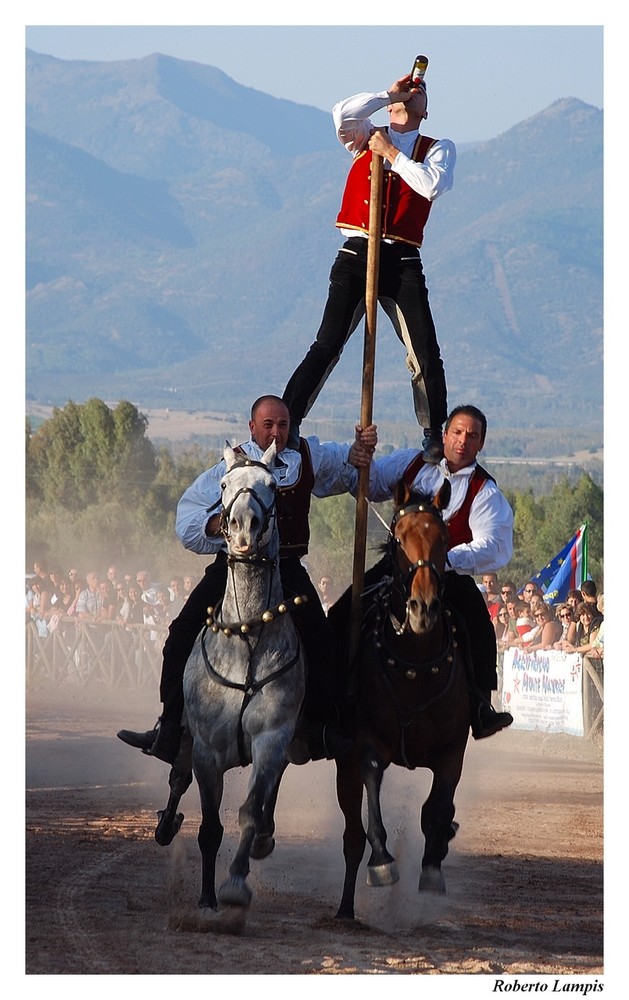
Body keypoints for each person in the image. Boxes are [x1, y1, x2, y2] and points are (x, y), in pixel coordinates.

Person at [118, 395, 377, 765]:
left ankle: (319, 727)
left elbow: (345, 466)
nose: (276, 432)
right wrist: (219, 524)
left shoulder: (307, 455)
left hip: (286, 568)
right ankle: (170, 727)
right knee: (180, 635)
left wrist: (360, 449)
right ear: (252, 427)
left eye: (283, 425)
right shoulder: (227, 467)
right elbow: (187, 519)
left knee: (321, 639)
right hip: (231, 567)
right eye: (268, 425)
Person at [281, 68, 455, 463]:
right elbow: (341, 114)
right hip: (357, 253)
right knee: (327, 343)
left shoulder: (437, 148)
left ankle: (433, 432)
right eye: (407, 90)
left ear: (426, 110)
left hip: (402, 258)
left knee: (424, 348)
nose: (413, 94)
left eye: (420, 91)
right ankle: (289, 422)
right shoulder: (364, 134)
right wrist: (385, 93)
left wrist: (392, 155)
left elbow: (431, 185)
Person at [349, 403, 514, 739]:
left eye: (472, 435)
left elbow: (495, 547)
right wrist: (362, 456)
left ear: (481, 444)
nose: (463, 441)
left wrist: (445, 560)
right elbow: (371, 484)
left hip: (447, 576)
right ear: (444, 434)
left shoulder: (485, 492)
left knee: (480, 626)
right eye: (457, 432)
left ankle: (481, 706)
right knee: (345, 611)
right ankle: (332, 702)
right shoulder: (412, 462)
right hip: (395, 570)